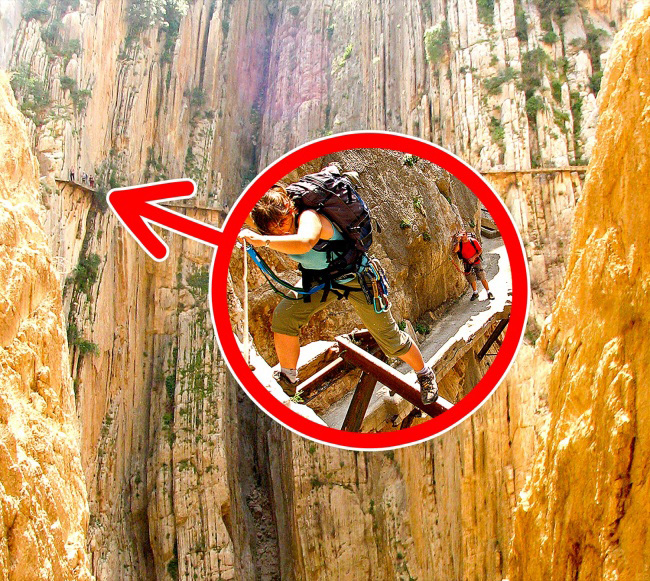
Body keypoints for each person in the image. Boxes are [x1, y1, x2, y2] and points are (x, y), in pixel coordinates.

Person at [238, 171, 439, 405]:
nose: (281, 231)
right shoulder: (271, 223)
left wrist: (263, 240)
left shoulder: (309, 217)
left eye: (282, 223)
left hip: (357, 277)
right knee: (284, 317)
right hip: (322, 279)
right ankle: (288, 379)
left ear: (290, 208)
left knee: (390, 339)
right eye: (273, 229)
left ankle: (424, 374)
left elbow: (305, 242)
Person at [453, 231, 494, 301]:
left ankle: (488, 292)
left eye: (464, 235)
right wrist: (458, 241)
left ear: (466, 235)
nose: (462, 236)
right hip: (467, 263)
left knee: (482, 277)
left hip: (476, 262)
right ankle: (475, 292)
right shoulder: (459, 244)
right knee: (471, 279)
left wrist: (473, 257)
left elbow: (480, 250)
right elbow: (455, 250)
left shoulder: (473, 241)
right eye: (461, 235)